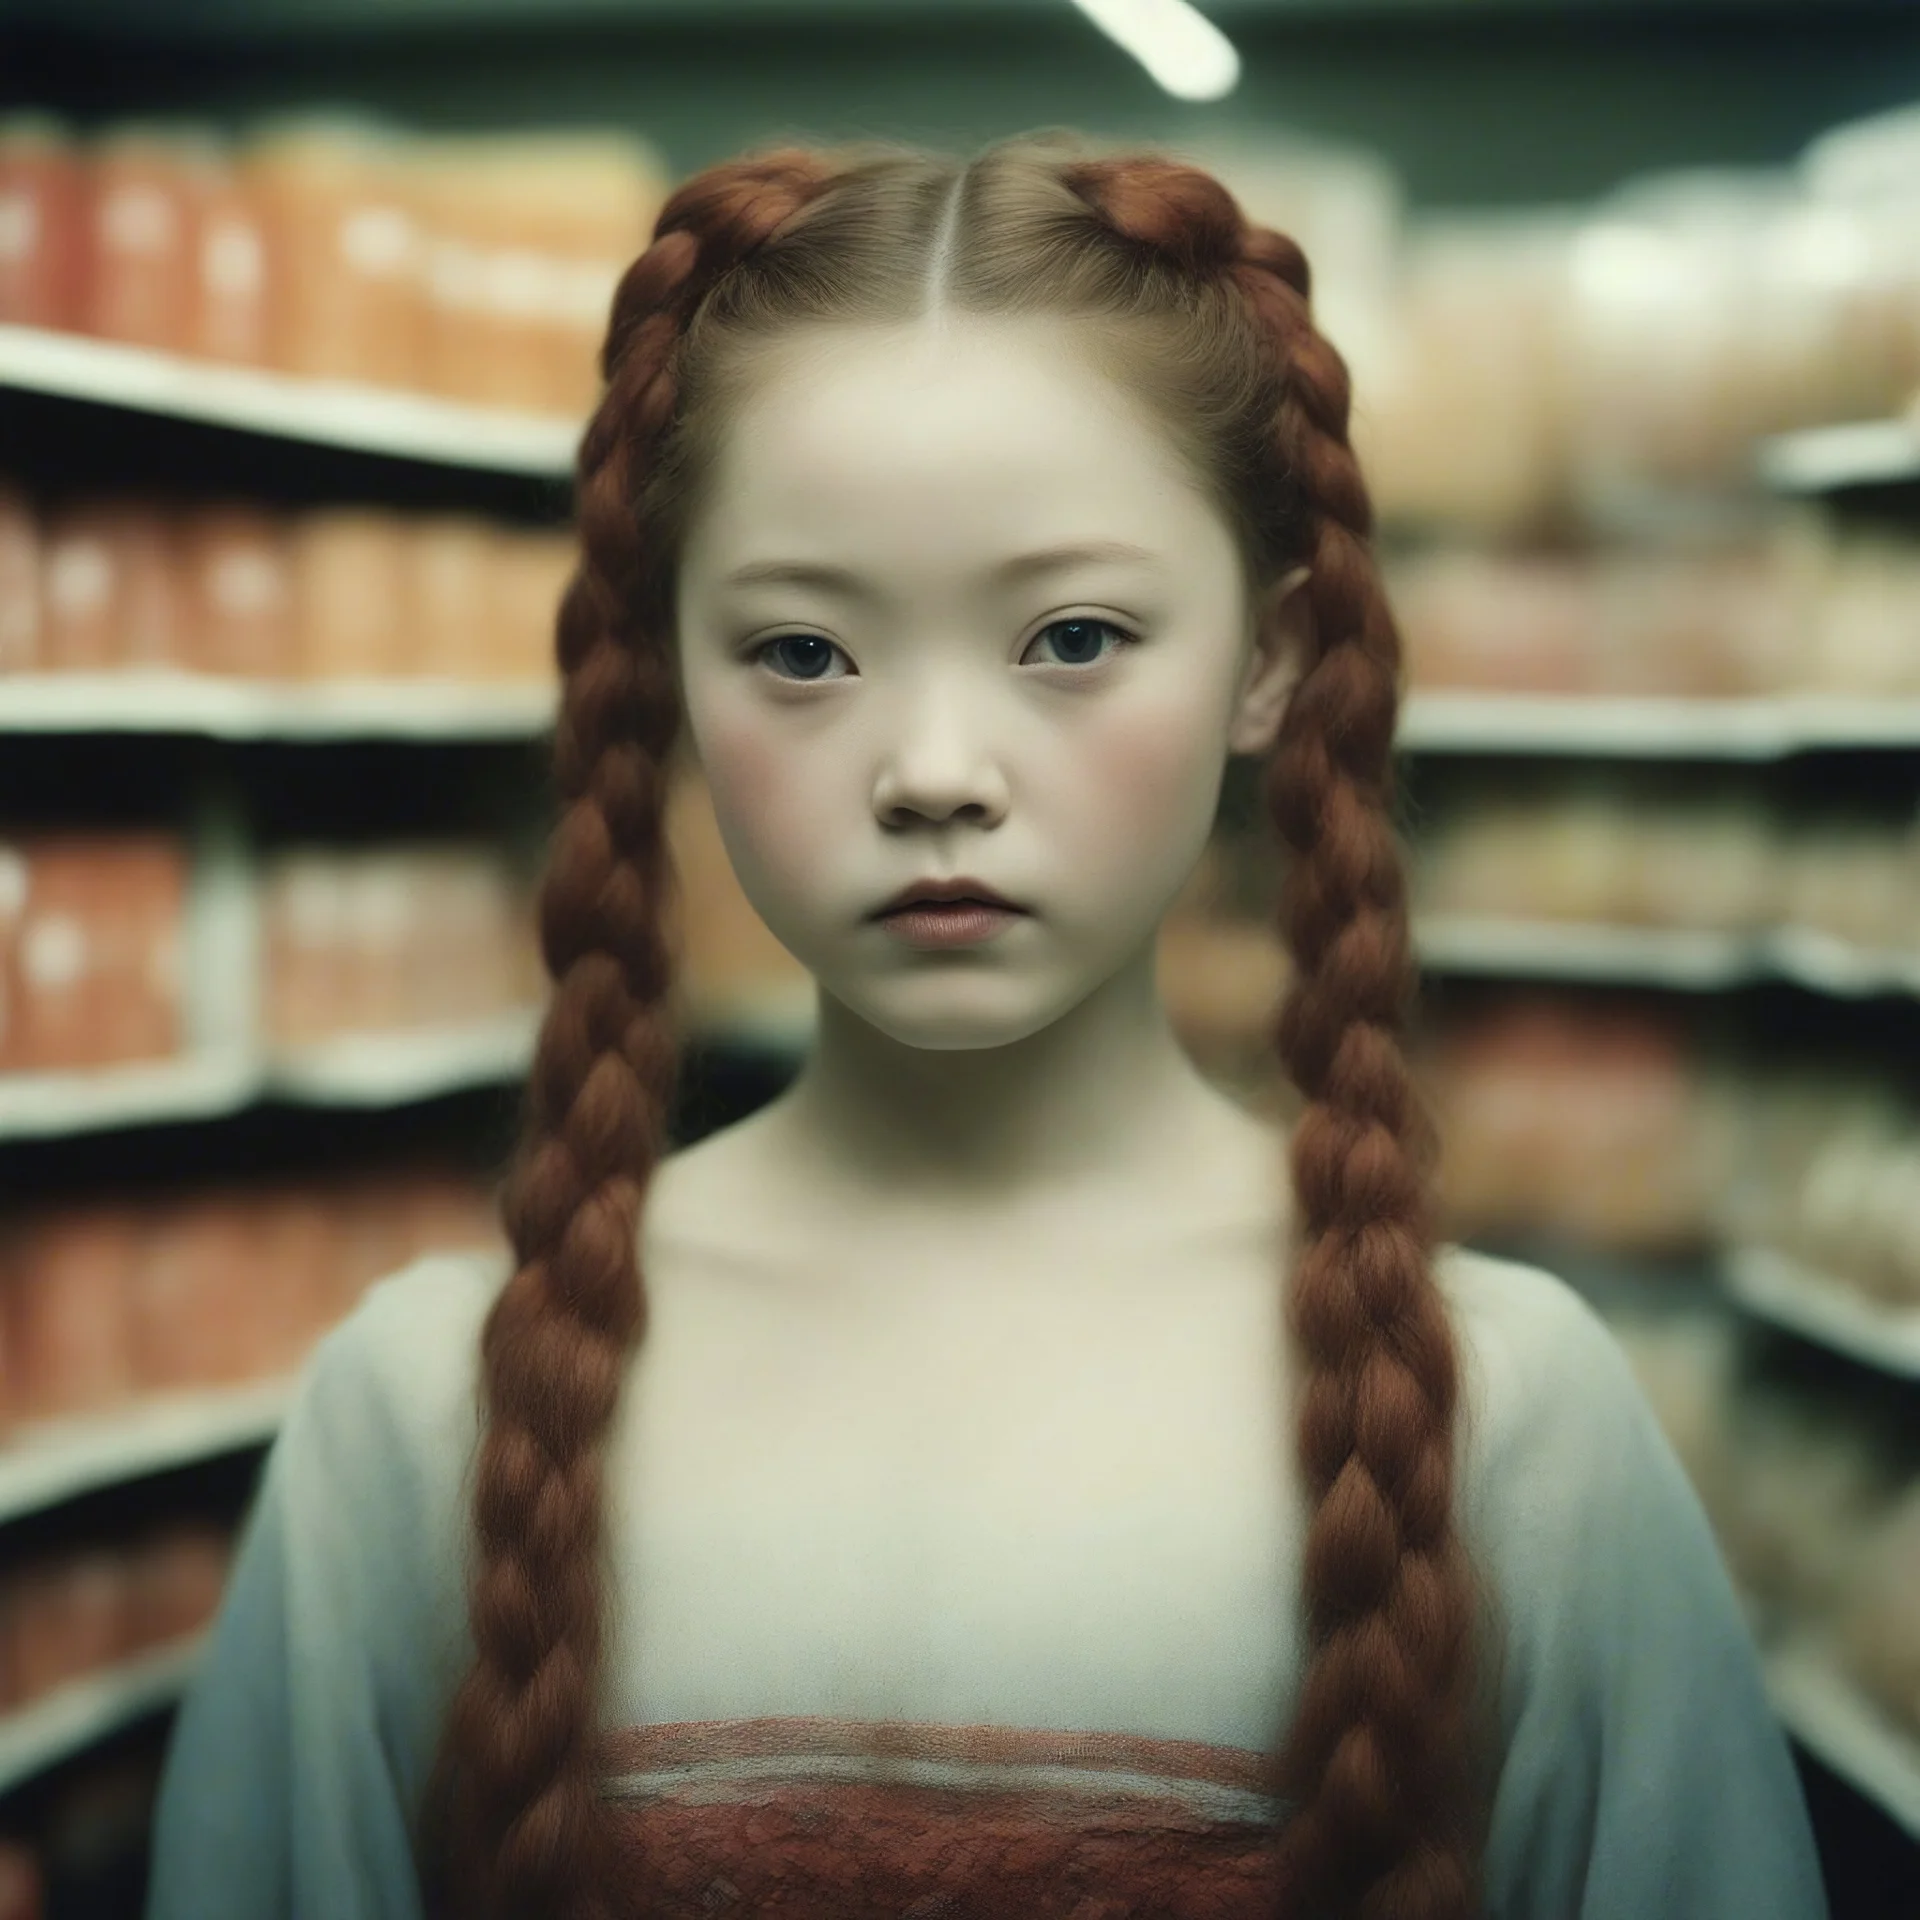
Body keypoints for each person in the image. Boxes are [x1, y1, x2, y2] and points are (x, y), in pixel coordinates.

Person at [144, 130, 1828, 1920]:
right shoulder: (421, 1430)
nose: (935, 773)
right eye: (803, 653)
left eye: (1073, 635)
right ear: (667, 673)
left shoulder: (1515, 1435)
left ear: (1268, 661)